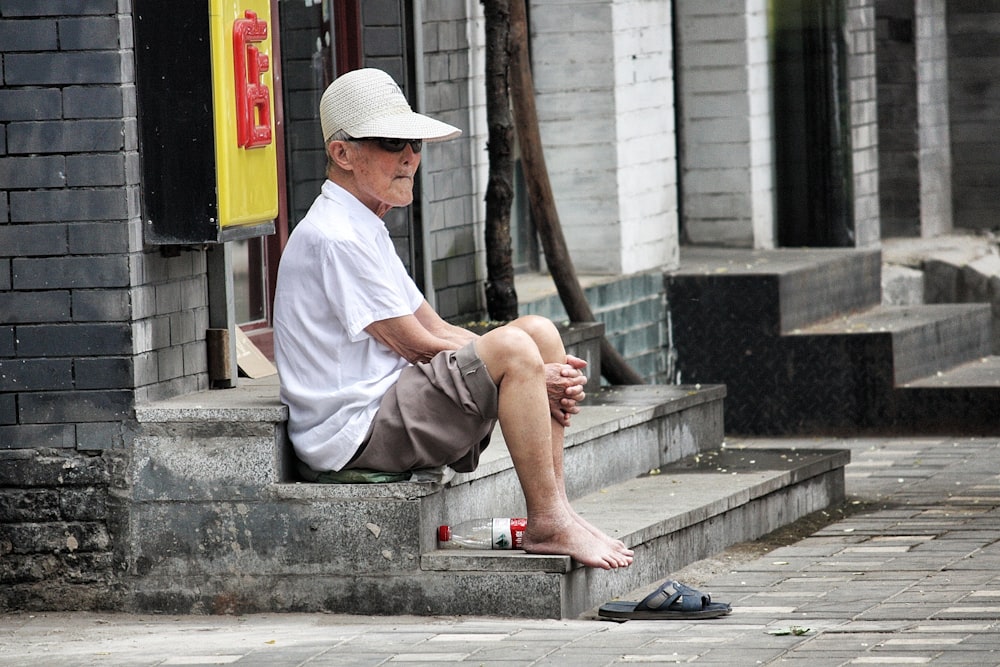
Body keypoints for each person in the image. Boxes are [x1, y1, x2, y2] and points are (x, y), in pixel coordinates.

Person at [273, 68, 633, 570]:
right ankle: (548, 521)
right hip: (355, 433)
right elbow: (417, 345)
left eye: (415, 145)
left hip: (389, 406)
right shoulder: (334, 235)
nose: (410, 157)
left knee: (535, 332)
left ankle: (558, 510)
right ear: (343, 154)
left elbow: (436, 326)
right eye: (392, 142)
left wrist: (532, 368)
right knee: (516, 350)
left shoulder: (362, 225)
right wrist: (525, 371)